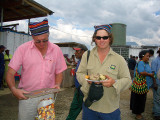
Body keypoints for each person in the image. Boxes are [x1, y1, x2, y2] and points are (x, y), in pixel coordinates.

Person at [6, 18, 67, 120]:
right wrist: (13, 89)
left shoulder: (56, 50)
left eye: (45, 40)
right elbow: (10, 73)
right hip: (27, 96)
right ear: (33, 37)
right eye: (38, 41)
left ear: (48, 35)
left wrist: (57, 84)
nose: (42, 44)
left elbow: (59, 71)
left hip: (48, 96)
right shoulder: (23, 49)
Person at [76, 24, 132, 120]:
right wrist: (87, 80)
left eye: (105, 37)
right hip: (90, 107)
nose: (102, 40)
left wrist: (114, 82)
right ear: (94, 39)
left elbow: (128, 80)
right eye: (98, 37)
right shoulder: (87, 55)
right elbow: (79, 73)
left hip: (110, 110)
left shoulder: (119, 59)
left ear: (110, 39)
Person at [130, 50, 155, 120]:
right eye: (147, 56)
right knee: (139, 100)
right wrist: (150, 74)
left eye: (149, 56)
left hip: (144, 85)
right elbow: (141, 72)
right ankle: (138, 114)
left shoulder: (145, 63)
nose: (148, 57)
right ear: (142, 56)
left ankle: (138, 112)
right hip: (140, 86)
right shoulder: (141, 63)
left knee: (141, 99)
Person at [66, 44, 88, 120]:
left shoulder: (88, 62)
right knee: (73, 110)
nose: (75, 53)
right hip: (78, 91)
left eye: (77, 51)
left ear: (83, 52)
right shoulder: (80, 61)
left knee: (87, 112)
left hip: (85, 92)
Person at [151, 48, 160, 120]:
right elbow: (153, 73)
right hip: (157, 83)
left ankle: (155, 111)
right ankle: (157, 114)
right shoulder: (155, 61)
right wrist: (154, 83)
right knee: (157, 99)